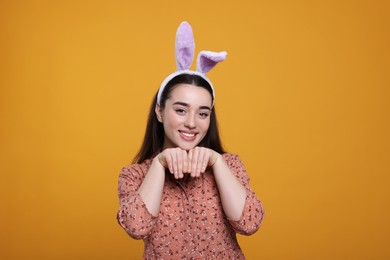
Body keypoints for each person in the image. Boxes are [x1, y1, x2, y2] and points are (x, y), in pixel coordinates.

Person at [117, 21, 265, 259]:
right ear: (159, 111)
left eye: (203, 113)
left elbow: (250, 223)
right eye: (181, 110)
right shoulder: (134, 175)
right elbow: (137, 226)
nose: (192, 123)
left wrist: (217, 163)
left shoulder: (230, 165)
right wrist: (159, 164)